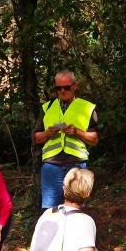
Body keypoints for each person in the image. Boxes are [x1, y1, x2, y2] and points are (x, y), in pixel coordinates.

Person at [33, 70, 99, 208]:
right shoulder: (47, 108)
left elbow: (94, 139)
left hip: (77, 165)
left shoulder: (87, 107)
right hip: (51, 166)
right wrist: (47, 133)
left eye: (66, 87)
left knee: (75, 208)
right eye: (58, 88)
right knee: (50, 210)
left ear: (75, 86)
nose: (62, 91)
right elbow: (35, 138)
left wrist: (77, 132)